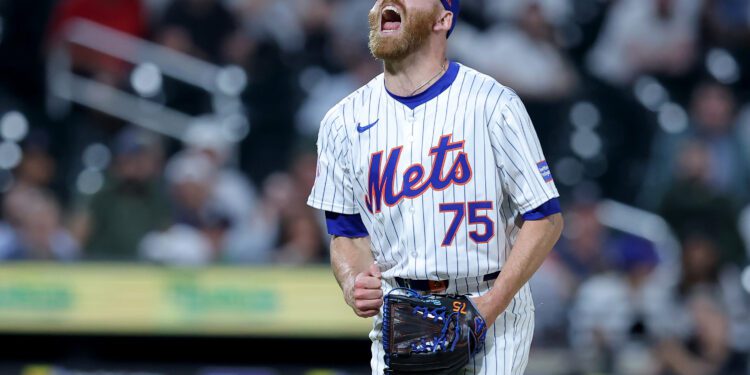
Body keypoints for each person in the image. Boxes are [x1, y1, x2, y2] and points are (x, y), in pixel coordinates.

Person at [306, 0, 564, 373]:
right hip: (401, 313)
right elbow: (346, 233)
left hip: (489, 300)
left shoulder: (493, 104)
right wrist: (352, 281)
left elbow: (545, 219)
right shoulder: (342, 121)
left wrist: (489, 307)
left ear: (444, 19)